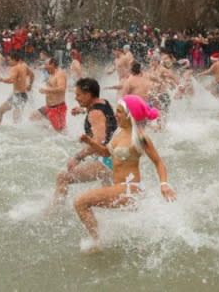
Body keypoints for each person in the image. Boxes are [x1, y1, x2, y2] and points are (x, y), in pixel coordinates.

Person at [74, 95, 176, 249]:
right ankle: (100, 241)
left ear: (130, 115)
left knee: (80, 202)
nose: (115, 115)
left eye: (120, 112)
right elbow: (106, 153)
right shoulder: (118, 132)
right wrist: (90, 142)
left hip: (130, 189)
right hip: (120, 188)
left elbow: (158, 162)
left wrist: (164, 184)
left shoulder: (141, 137)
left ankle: (96, 243)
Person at [52, 78, 118, 206]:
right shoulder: (104, 103)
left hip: (105, 162)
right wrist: (83, 110)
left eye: (78, 95)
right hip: (114, 160)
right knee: (113, 198)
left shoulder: (95, 113)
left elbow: (99, 140)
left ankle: (55, 213)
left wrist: (78, 157)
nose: (76, 98)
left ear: (88, 95)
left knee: (62, 177)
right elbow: (103, 116)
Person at [0, 52, 35, 127]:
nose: (8, 62)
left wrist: (1, 79)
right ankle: (18, 134)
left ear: (14, 60)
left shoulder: (15, 68)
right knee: (16, 119)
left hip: (17, 96)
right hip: (23, 96)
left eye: (9, 60)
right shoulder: (24, 65)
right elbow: (32, 75)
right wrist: (30, 85)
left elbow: (11, 80)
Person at [30, 58, 68, 132]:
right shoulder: (52, 73)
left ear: (52, 65)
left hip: (57, 108)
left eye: (46, 65)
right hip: (48, 107)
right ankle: (47, 129)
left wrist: (46, 90)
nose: (45, 67)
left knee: (60, 132)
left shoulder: (60, 74)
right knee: (33, 116)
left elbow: (62, 88)